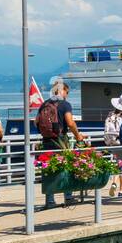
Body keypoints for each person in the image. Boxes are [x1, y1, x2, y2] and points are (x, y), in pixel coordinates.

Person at [40, 81, 83, 210]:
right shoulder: (65, 104)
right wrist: (78, 136)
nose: (67, 95)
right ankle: (68, 197)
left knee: (49, 169)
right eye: (67, 92)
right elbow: (70, 122)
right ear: (62, 91)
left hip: (47, 140)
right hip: (60, 140)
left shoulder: (44, 104)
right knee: (65, 167)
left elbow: (37, 122)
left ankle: (50, 201)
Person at [103, 94, 122, 198]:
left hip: (112, 143)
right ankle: (121, 191)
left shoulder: (110, 115)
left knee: (119, 164)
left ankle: (114, 183)